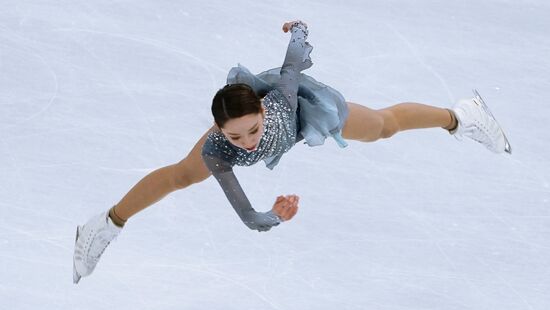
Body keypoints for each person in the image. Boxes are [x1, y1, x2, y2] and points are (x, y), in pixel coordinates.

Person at [72, 20, 511, 284]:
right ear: (218, 130)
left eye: (251, 131)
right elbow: (249, 217)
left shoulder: (280, 99)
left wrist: (298, 26)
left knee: (383, 127)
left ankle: (462, 116)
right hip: (254, 123)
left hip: (305, 114)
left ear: (262, 109)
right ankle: (105, 224)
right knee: (181, 175)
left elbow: (295, 57)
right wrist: (276, 216)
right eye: (236, 137)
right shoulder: (218, 152)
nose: (247, 144)